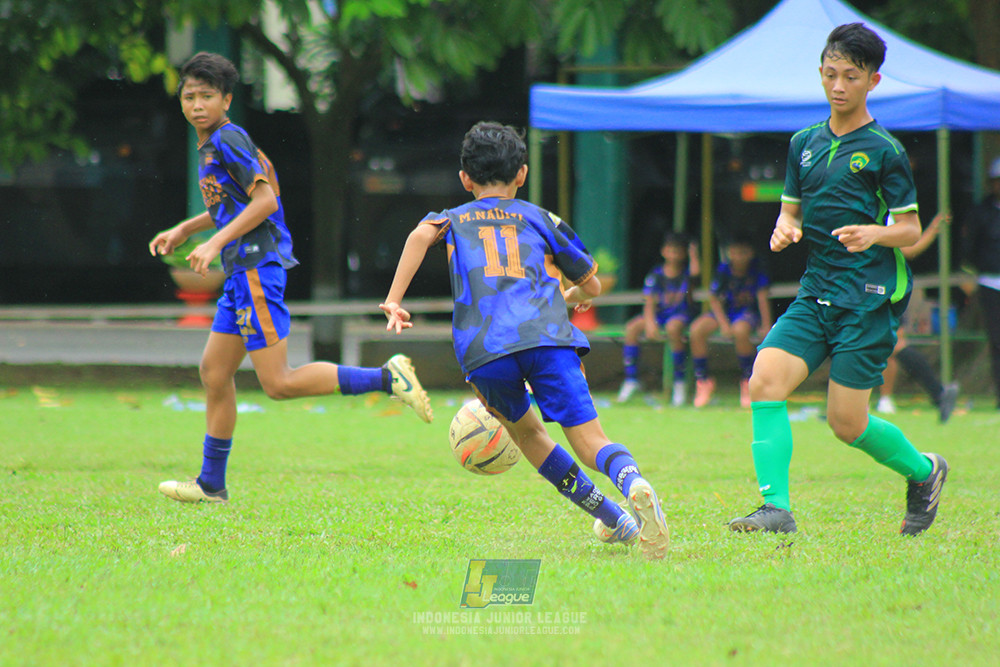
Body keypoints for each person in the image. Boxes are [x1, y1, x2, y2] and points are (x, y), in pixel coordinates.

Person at [149, 52, 432, 504]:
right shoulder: (214, 145)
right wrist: (187, 229)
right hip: (243, 273)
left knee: (278, 383)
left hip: (257, 269)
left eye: (206, 96)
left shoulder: (229, 139)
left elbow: (264, 202)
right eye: (189, 96)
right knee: (214, 371)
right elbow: (237, 200)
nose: (197, 104)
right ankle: (211, 484)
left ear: (226, 99)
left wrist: (215, 243)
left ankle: (387, 378)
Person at [380, 121, 670, 560]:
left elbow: (421, 234)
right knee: (591, 440)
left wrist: (394, 299)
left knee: (529, 435)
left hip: (485, 352)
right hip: (548, 339)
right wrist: (569, 296)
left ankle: (615, 518)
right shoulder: (541, 218)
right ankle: (632, 482)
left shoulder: (454, 219)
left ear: (465, 179)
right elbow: (592, 285)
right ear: (523, 174)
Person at [728, 24, 948, 537]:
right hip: (816, 290)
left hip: (869, 298)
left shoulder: (885, 151)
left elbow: (910, 229)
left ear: (873, 80)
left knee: (846, 424)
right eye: (830, 74)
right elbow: (790, 214)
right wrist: (785, 230)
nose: (838, 86)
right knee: (764, 379)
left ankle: (924, 471)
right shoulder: (803, 144)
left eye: (851, 76)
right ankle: (775, 510)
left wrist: (875, 233)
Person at [876, 211, 959, 422]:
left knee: (893, 345)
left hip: (881, 289)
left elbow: (908, 250)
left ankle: (938, 394)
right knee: (891, 347)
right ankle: (936, 394)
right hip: (884, 287)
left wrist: (931, 230)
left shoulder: (882, 213)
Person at [616, 232, 700, 406]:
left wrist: (693, 254)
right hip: (660, 315)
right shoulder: (656, 274)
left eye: (678, 251)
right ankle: (631, 379)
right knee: (632, 328)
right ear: (663, 251)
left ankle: (679, 382)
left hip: (680, 314)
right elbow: (649, 301)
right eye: (670, 250)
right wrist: (650, 322)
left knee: (673, 328)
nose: (673, 255)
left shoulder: (686, 274)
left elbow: (696, 273)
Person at [688, 237, 772, 409]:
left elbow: (762, 299)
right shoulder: (723, 270)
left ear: (750, 254)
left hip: (746, 313)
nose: (738, 257)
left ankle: (747, 380)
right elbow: (714, 299)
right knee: (696, 330)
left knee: (740, 331)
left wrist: (766, 325)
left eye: (743, 253)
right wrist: (723, 323)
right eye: (734, 252)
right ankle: (703, 380)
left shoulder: (757, 271)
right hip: (723, 314)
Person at [961, 156, 1000, 410]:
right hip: (990, 283)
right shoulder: (981, 212)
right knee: (997, 341)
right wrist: (969, 275)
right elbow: (967, 249)